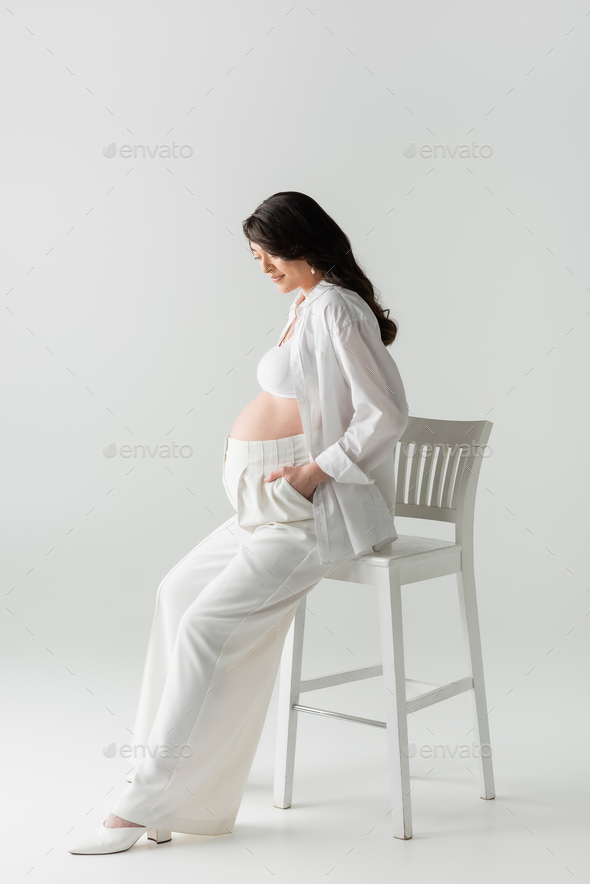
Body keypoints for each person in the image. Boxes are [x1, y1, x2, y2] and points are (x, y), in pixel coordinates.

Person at [68, 191, 409, 855]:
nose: (263, 268)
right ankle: (164, 768)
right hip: (263, 508)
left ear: (304, 243)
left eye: (269, 254)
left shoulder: (338, 307)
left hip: (309, 513)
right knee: (174, 593)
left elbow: (387, 413)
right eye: (255, 257)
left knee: (206, 624)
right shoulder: (305, 304)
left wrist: (315, 471)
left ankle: (143, 804)